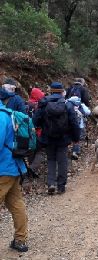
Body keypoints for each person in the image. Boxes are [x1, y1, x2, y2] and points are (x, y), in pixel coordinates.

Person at [33, 82, 80, 195]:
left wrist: (41, 128)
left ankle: (51, 184)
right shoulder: (67, 105)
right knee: (62, 160)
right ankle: (61, 186)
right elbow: (74, 123)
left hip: (48, 137)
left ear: (51, 91)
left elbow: (35, 120)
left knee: (51, 160)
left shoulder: (43, 103)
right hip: (63, 138)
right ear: (62, 91)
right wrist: (75, 137)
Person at [0, 100, 29, 252]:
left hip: (3, 169)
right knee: (16, 204)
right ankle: (20, 240)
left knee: (16, 204)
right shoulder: (9, 113)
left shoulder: (0, 117)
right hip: (15, 167)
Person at [26, 87, 46, 177]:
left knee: (31, 151)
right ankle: (32, 168)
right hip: (38, 132)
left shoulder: (26, 105)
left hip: (27, 132)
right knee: (40, 151)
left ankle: (31, 170)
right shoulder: (39, 106)